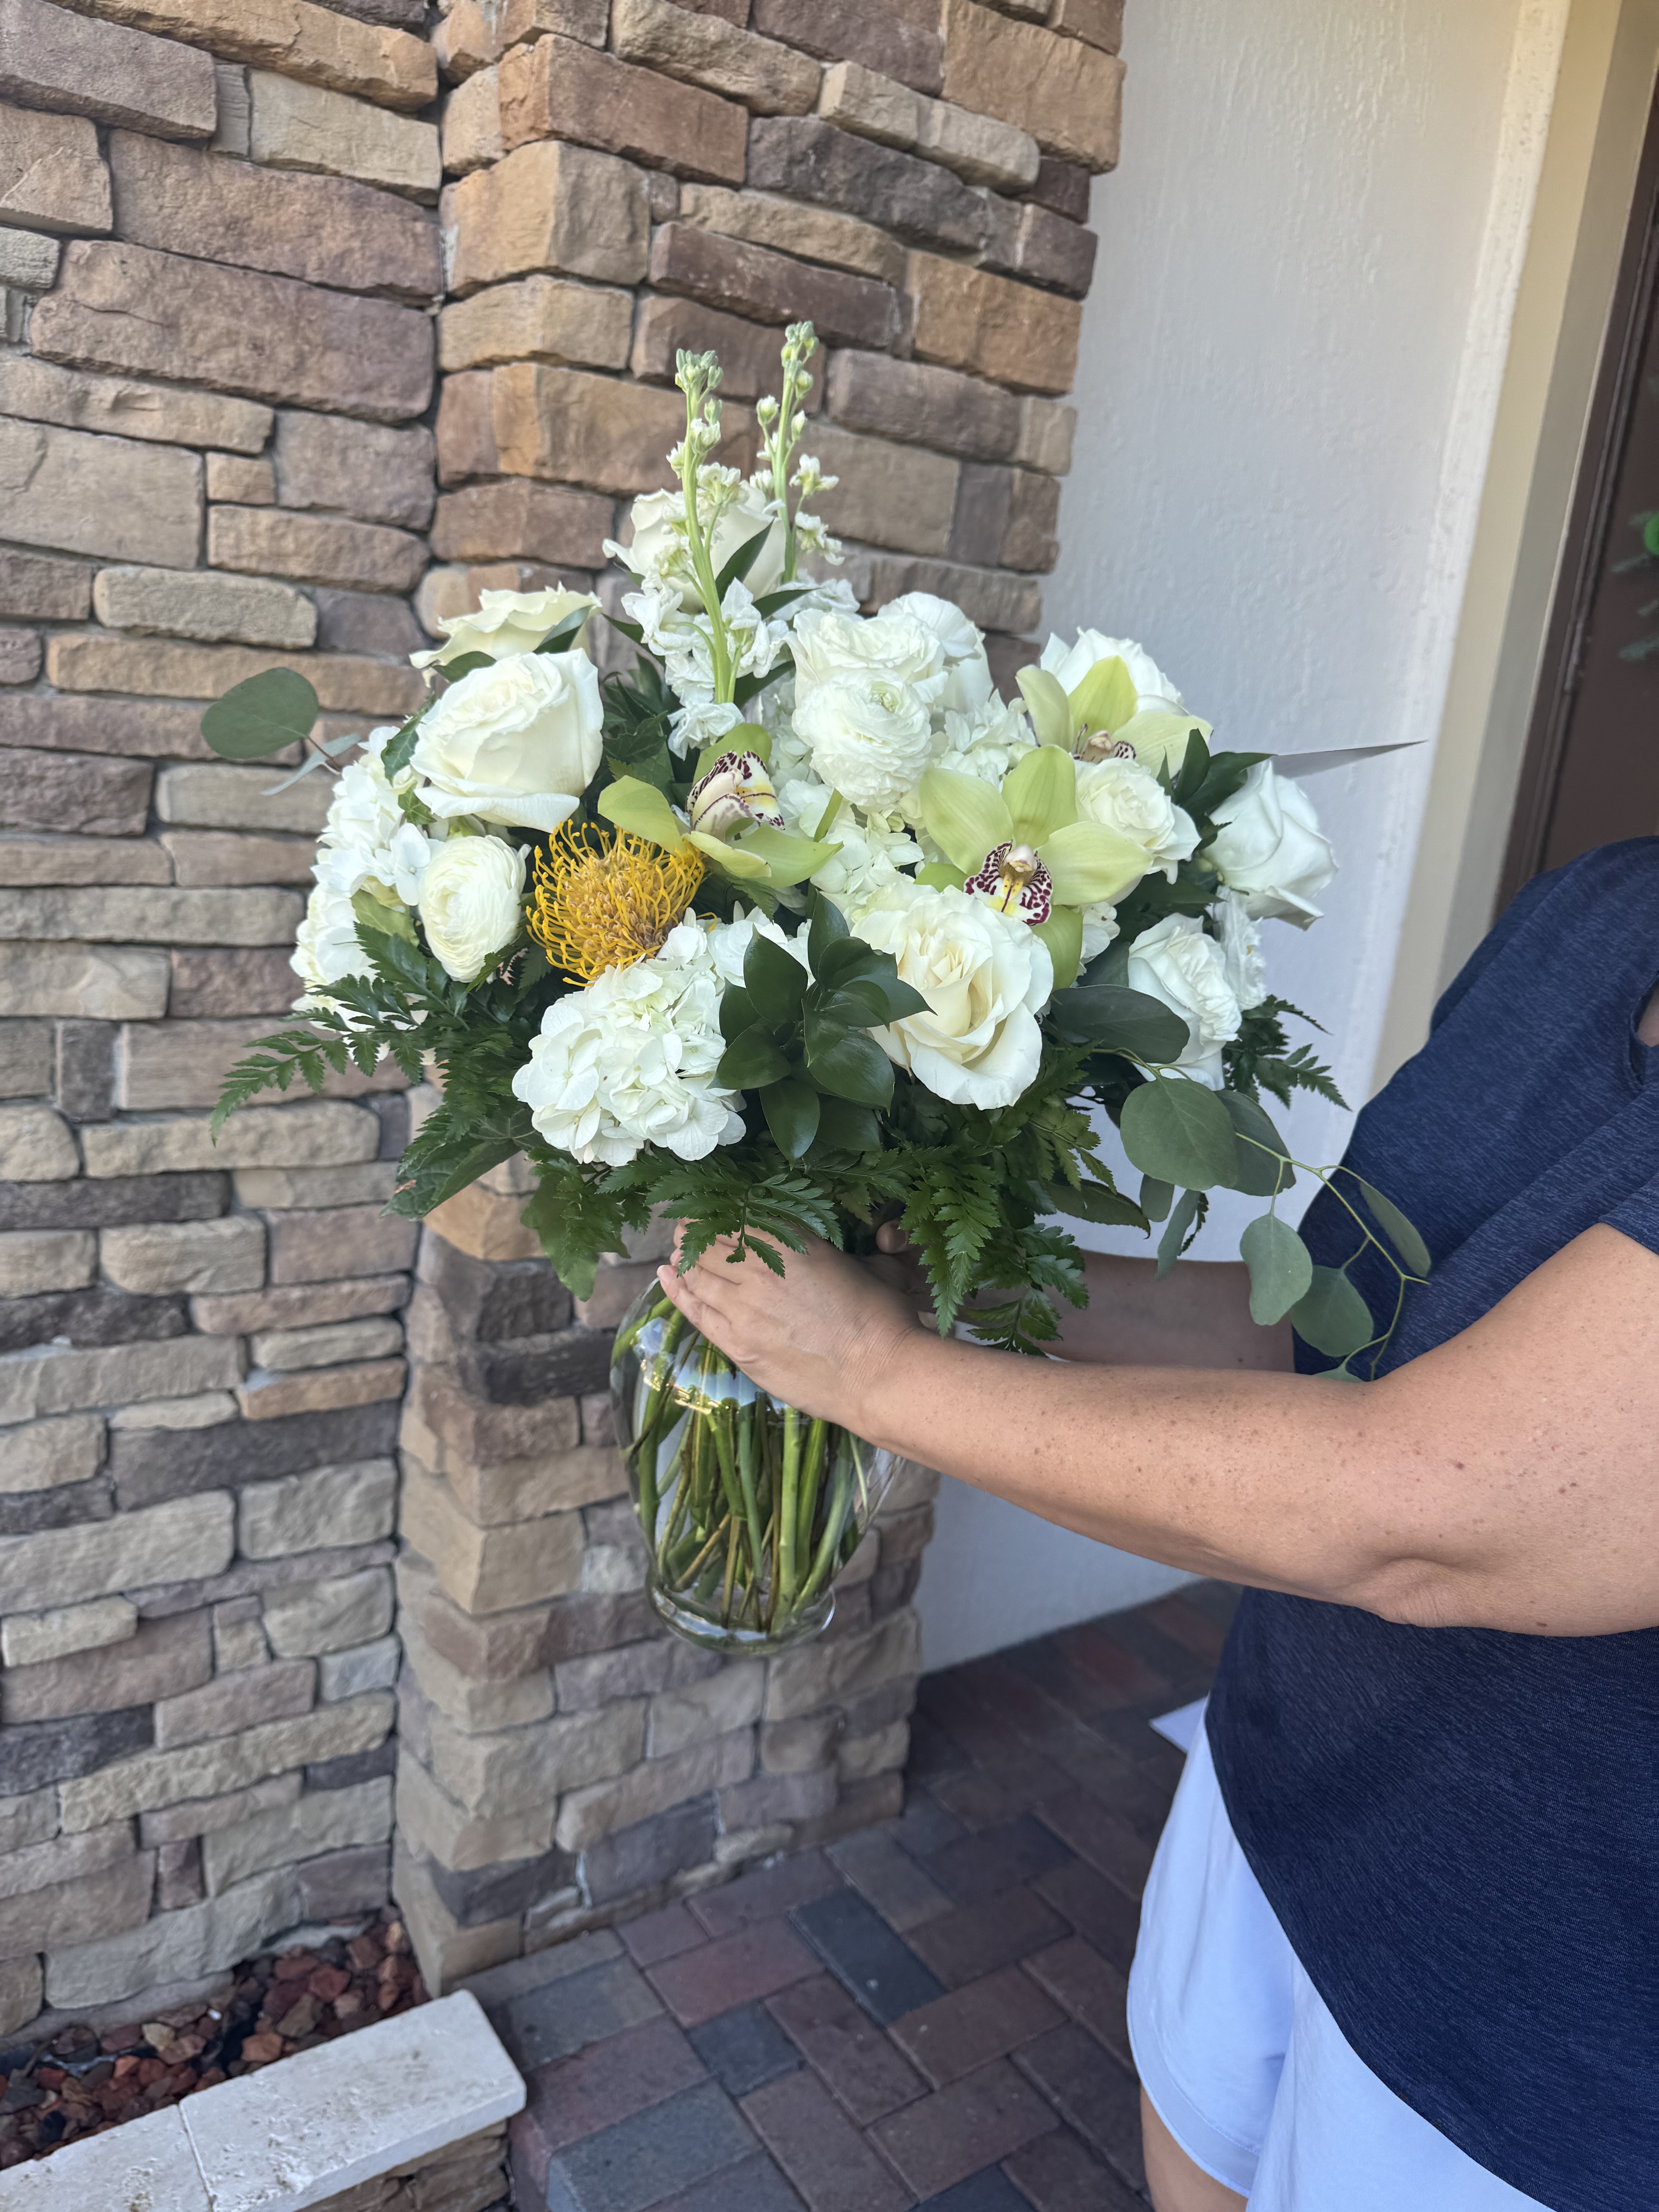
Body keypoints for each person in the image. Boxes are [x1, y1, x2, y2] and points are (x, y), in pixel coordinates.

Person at [656, 838, 1659, 2212]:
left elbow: (1423, 1515)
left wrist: (875, 1376)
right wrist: (965, 1292)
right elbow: (1329, 1331)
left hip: (1548, 2023)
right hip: (1287, 1785)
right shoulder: (1593, 912)